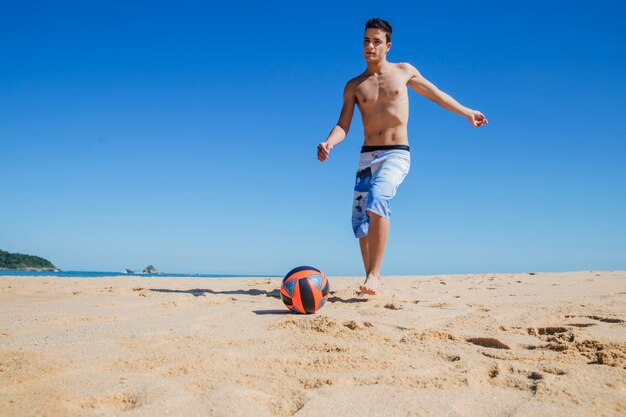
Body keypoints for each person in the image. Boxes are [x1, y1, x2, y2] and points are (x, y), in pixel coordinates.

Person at [317, 18, 488, 295]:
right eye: (365, 40)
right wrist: (329, 142)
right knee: (360, 222)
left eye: (376, 41)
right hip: (366, 157)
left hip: (397, 153)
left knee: (378, 197)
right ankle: (368, 277)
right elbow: (343, 125)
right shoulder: (354, 86)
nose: (369, 46)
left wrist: (466, 112)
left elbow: (437, 95)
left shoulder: (403, 71)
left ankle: (375, 274)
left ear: (388, 46)